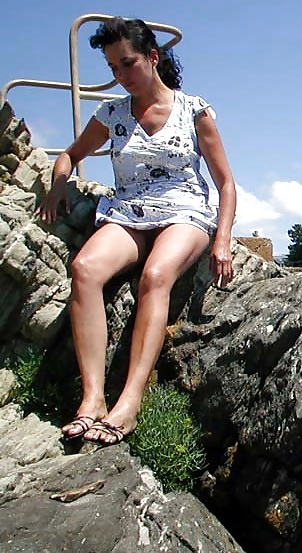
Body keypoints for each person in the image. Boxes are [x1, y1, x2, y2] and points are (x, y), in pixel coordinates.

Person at [37, 17, 237, 446]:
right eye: (112, 68)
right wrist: (58, 186)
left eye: (127, 64)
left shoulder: (194, 110)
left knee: (155, 277)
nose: (120, 76)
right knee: (85, 269)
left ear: (152, 57)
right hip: (128, 212)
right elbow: (69, 155)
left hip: (185, 211)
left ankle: (128, 402)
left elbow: (226, 183)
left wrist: (222, 240)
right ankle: (91, 400)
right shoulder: (110, 114)